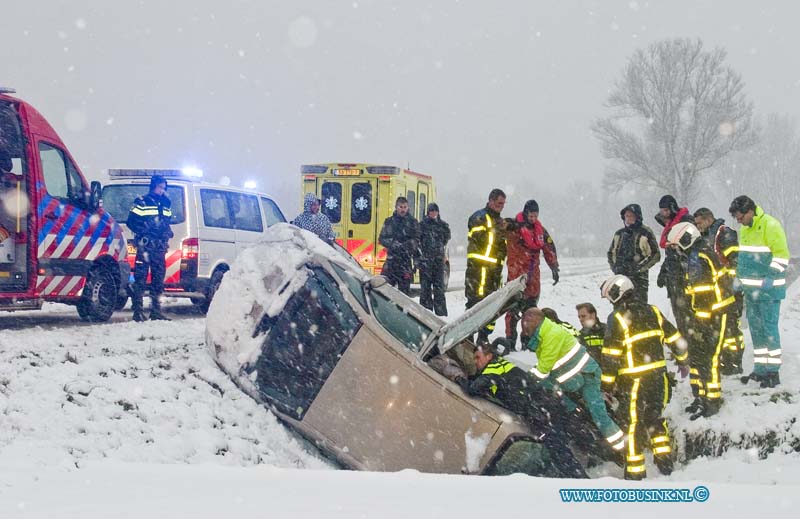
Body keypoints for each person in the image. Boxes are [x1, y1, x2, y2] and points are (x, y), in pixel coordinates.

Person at [599, 274, 688, 479]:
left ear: (616, 294)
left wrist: (606, 384)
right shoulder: (653, 311)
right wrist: (682, 358)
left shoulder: (618, 318)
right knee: (655, 420)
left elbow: (611, 355)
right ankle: (665, 464)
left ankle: (635, 473)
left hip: (634, 383)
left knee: (633, 426)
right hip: (659, 379)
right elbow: (674, 338)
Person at [458, 342, 587, 478]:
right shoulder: (501, 365)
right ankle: (581, 474)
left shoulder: (494, 369)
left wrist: (458, 378)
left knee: (559, 451)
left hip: (543, 411)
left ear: (489, 356)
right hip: (548, 405)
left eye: (478, 358)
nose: (475, 362)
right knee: (559, 449)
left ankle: (584, 483)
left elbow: (473, 389)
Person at [521, 308, 626, 455]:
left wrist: (524, 380)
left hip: (588, 376)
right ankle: (573, 411)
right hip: (574, 379)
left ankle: (622, 449)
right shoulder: (544, 334)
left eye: (526, 327)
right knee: (558, 395)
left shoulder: (551, 335)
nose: (525, 331)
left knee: (598, 414)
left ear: (534, 322)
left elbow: (542, 370)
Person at [667, 222, 735, 418]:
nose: (677, 249)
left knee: (710, 358)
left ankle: (712, 400)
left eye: (677, 244)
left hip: (713, 314)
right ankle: (700, 396)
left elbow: (704, 293)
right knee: (697, 357)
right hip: (704, 315)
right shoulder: (696, 254)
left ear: (686, 239)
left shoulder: (699, 256)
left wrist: (700, 323)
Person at [729, 196, 790, 388]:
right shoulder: (745, 229)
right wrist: (739, 278)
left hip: (769, 291)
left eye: (740, 217)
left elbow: (781, 255)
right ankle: (760, 369)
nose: (738, 221)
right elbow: (745, 259)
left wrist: (770, 275)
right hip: (752, 291)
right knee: (756, 331)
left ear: (749, 212)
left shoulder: (770, 225)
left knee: (769, 330)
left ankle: (773, 372)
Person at [694, 207, 745, 375]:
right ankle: (726, 361)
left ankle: (735, 362)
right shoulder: (704, 238)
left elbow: (734, 262)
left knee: (732, 331)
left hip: (730, 291)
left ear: (709, 219)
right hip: (718, 294)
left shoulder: (724, 234)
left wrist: (729, 284)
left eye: (700, 222)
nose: (698, 226)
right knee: (722, 330)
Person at [504, 199, 559, 345]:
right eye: (531, 216)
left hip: (533, 277)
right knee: (512, 309)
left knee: (531, 310)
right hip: (516, 276)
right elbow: (497, 230)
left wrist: (554, 267)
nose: (533, 219)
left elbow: (549, 248)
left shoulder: (540, 231)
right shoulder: (513, 228)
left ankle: (527, 339)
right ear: (525, 213)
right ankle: (510, 339)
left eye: (536, 216)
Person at [127, 175, 174, 322]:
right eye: (160, 187)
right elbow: (131, 222)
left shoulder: (166, 203)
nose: (162, 190)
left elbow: (166, 222)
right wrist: (143, 231)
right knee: (140, 280)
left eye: (164, 188)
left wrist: (167, 231)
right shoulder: (142, 202)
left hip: (159, 248)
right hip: (145, 247)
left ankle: (156, 311)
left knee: (158, 281)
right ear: (153, 186)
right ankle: (138, 311)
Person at [465, 189, 509, 344]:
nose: (501, 207)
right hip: (478, 270)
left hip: (494, 272)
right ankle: (467, 337)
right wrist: (498, 230)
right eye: (499, 203)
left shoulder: (500, 221)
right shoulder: (479, 217)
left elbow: (502, 247)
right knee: (475, 304)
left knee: (492, 306)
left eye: (503, 204)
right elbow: (480, 237)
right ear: (490, 200)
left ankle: (484, 338)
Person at [654, 195, 694, 335]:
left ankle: (690, 343)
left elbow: (684, 252)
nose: (663, 214)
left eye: (665, 210)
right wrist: (664, 270)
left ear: (671, 208)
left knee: (687, 313)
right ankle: (685, 339)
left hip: (683, 276)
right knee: (679, 313)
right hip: (674, 276)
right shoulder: (672, 223)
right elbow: (671, 253)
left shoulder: (685, 223)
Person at [607, 203, 660, 303]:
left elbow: (655, 254)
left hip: (639, 279)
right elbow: (611, 253)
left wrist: (639, 268)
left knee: (639, 307)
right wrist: (615, 267)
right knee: (620, 306)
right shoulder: (619, 234)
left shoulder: (646, 232)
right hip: (620, 277)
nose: (628, 218)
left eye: (631, 216)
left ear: (638, 217)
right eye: (626, 216)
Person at [378, 196, 420, 295]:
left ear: (408, 207)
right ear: (396, 207)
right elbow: (382, 238)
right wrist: (392, 244)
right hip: (391, 261)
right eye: (400, 207)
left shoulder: (413, 223)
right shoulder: (389, 222)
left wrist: (407, 245)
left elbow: (417, 239)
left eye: (405, 207)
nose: (403, 209)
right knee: (385, 291)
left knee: (404, 294)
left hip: (405, 262)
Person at [418, 203, 451, 316]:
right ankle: (425, 313)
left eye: (435, 211)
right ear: (428, 212)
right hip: (426, 262)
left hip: (437, 262)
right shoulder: (422, 226)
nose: (433, 213)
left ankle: (440, 313)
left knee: (439, 289)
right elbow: (418, 242)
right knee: (425, 289)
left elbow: (445, 240)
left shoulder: (443, 226)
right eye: (431, 211)